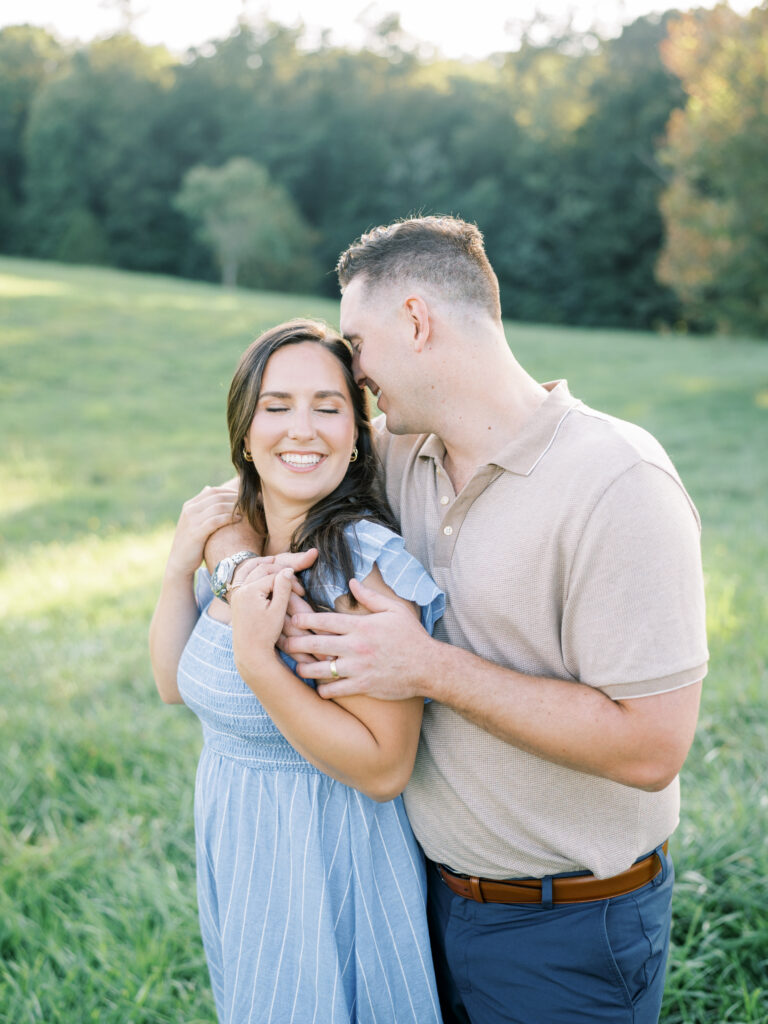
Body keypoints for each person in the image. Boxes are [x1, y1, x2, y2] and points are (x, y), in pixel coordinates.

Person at [268, 217, 708, 1024]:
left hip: (569, 929)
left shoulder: (620, 483)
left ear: (415, 320)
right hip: (418, 900)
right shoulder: (398, 454)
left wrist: (426, 666)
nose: (355, 371)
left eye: (358, 343)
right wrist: (207, 541)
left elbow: (653, 746)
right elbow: (279, 460)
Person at [149, 319, 445, 1024]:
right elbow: (171, 683)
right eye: (276, 406)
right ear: (244, 431)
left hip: (327, 867)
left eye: (328, 406)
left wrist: (259, 662)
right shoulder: (246, 546)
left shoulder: (360, 567)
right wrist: (178, 564)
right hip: (246, 857)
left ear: (357, 432)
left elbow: (384, 769)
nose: (302, 429)